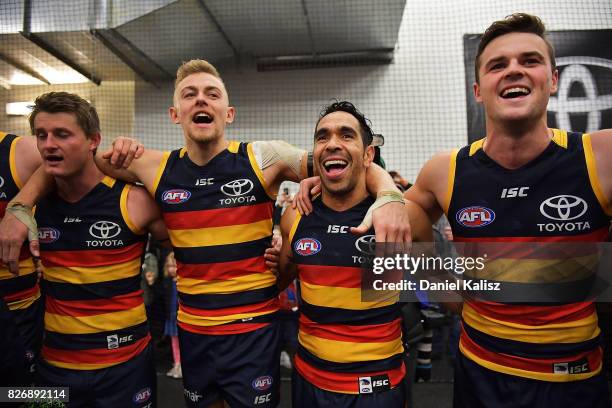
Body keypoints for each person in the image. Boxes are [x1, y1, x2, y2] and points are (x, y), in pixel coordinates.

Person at [0, 59, 409, 408]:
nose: (201, 99)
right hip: (192, 333)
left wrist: (389, 193)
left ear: (228, 113)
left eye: (212, 93)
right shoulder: (153, 167)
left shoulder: (265, 158)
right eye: (190, 94)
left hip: (252, 332)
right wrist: (21, 205)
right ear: (175, 113)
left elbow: (342, 160)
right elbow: (69, 160)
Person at [404, 13, 612, 407]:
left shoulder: (600, 157)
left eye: (529, 61)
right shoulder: (445, 171)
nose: (514, 70)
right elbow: (406, 209)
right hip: (479, 374)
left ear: (551, 80)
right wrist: (442, 286)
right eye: (498, 65)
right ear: (479, 90)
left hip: (573, 379)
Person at [278, 101, 432, 407]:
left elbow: (438, 279)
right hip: (309, 383)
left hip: (379, 389)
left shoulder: (406, 216)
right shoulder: (295, 217)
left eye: (346, 135)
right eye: (323, 137)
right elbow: (278, 280)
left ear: (368, 155)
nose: (332, 143)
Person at [25, 92, 168, 407]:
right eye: (41, 135)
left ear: (93, 141)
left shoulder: (134, 200)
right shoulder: (31, 206)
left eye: (62, 134)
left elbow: (186, 248)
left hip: (126, 368)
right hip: (55, 369)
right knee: (11, 399)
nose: (49, 144)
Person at [0, 131, 42, 386]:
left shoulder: (20, 150)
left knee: (28, 396)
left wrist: (20, 204)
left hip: (19, 309)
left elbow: (80, 160)